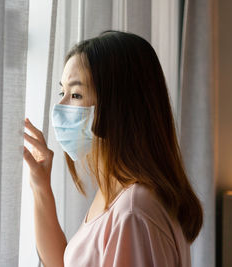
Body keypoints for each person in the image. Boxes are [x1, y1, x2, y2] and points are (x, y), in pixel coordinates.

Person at [23, 30, 203, 267]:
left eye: (76, 94)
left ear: (119, 106)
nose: (60, 106)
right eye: (62, 92)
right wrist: (41, 187)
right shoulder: (119, 195)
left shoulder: (133, 211)